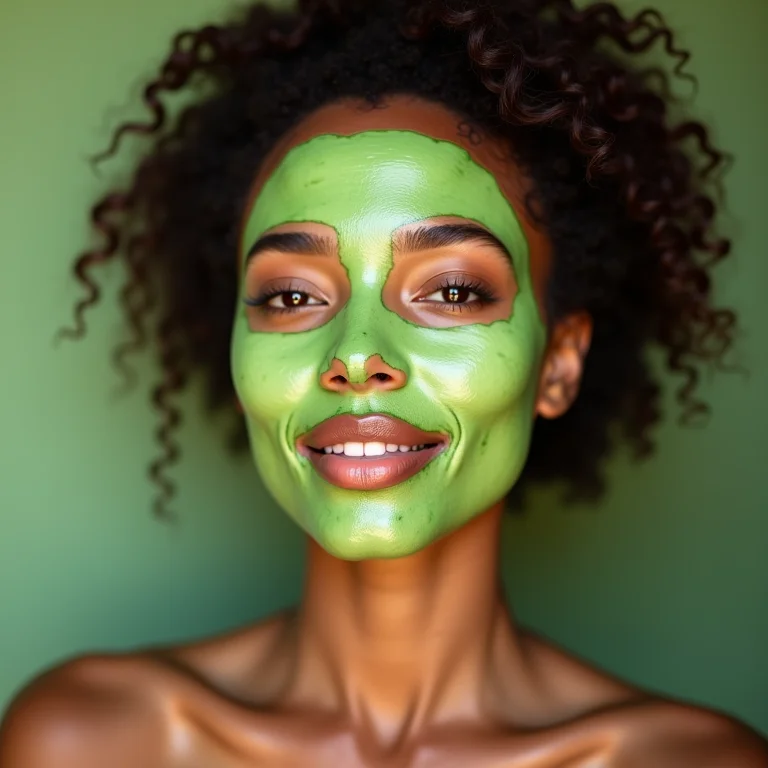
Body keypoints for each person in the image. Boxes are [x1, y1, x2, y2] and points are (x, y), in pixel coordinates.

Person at [1, 0, 766, 765]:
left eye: (452, 291)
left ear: (557, 363)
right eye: (292, 297)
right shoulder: (92, 741)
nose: (359, 354)